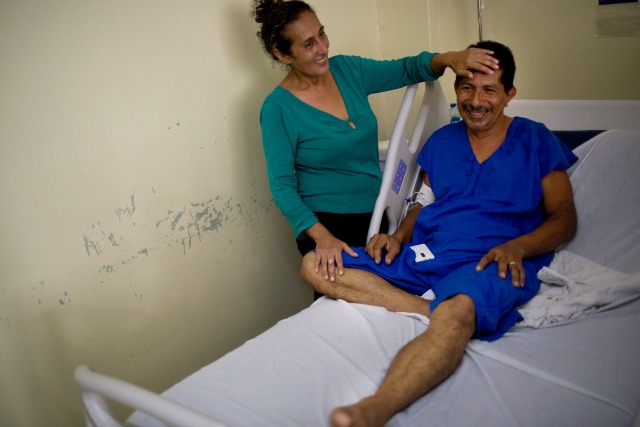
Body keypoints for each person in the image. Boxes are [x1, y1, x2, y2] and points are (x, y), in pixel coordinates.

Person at [300, 40, 578, 426]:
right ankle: (424, 307)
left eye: (489, 90)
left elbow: (565, 219)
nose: (476, 100)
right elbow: (422, 202)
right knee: (316, 264)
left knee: (459, 310)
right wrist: (397, 237)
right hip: (429, 252)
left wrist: (519, 246)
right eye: (466, 86)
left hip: (491, 260)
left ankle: (374, 409)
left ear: (509, 94)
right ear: (455, 89)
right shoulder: (442, 141)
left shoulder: (535, 139)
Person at [251, 0, 500, 294]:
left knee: (391, 293)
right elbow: (282, 186)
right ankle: (430, 314)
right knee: (346, 303)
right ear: (283, 54)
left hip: (377, 214)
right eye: (308, 44)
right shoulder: (278, 108)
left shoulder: (347, 70)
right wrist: (323, 239)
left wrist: (448, 58)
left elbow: (407, 69)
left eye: (322, 34)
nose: (322, 48)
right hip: (326, 227)